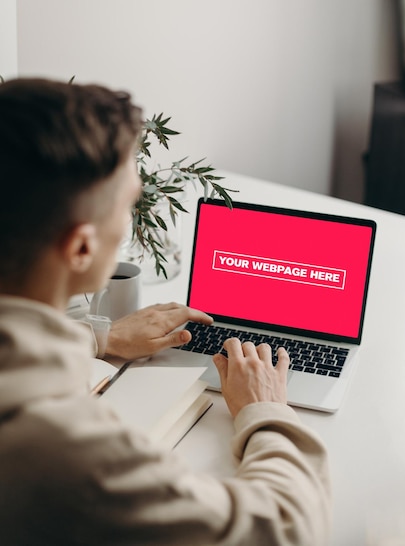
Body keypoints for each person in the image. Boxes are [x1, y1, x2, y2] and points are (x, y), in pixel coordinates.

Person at [0, 78, 331, 546]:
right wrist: (266, 409)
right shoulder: (70, 457)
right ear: (81, 246)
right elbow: (286, 526)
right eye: (128, 205)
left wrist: (102, 338)